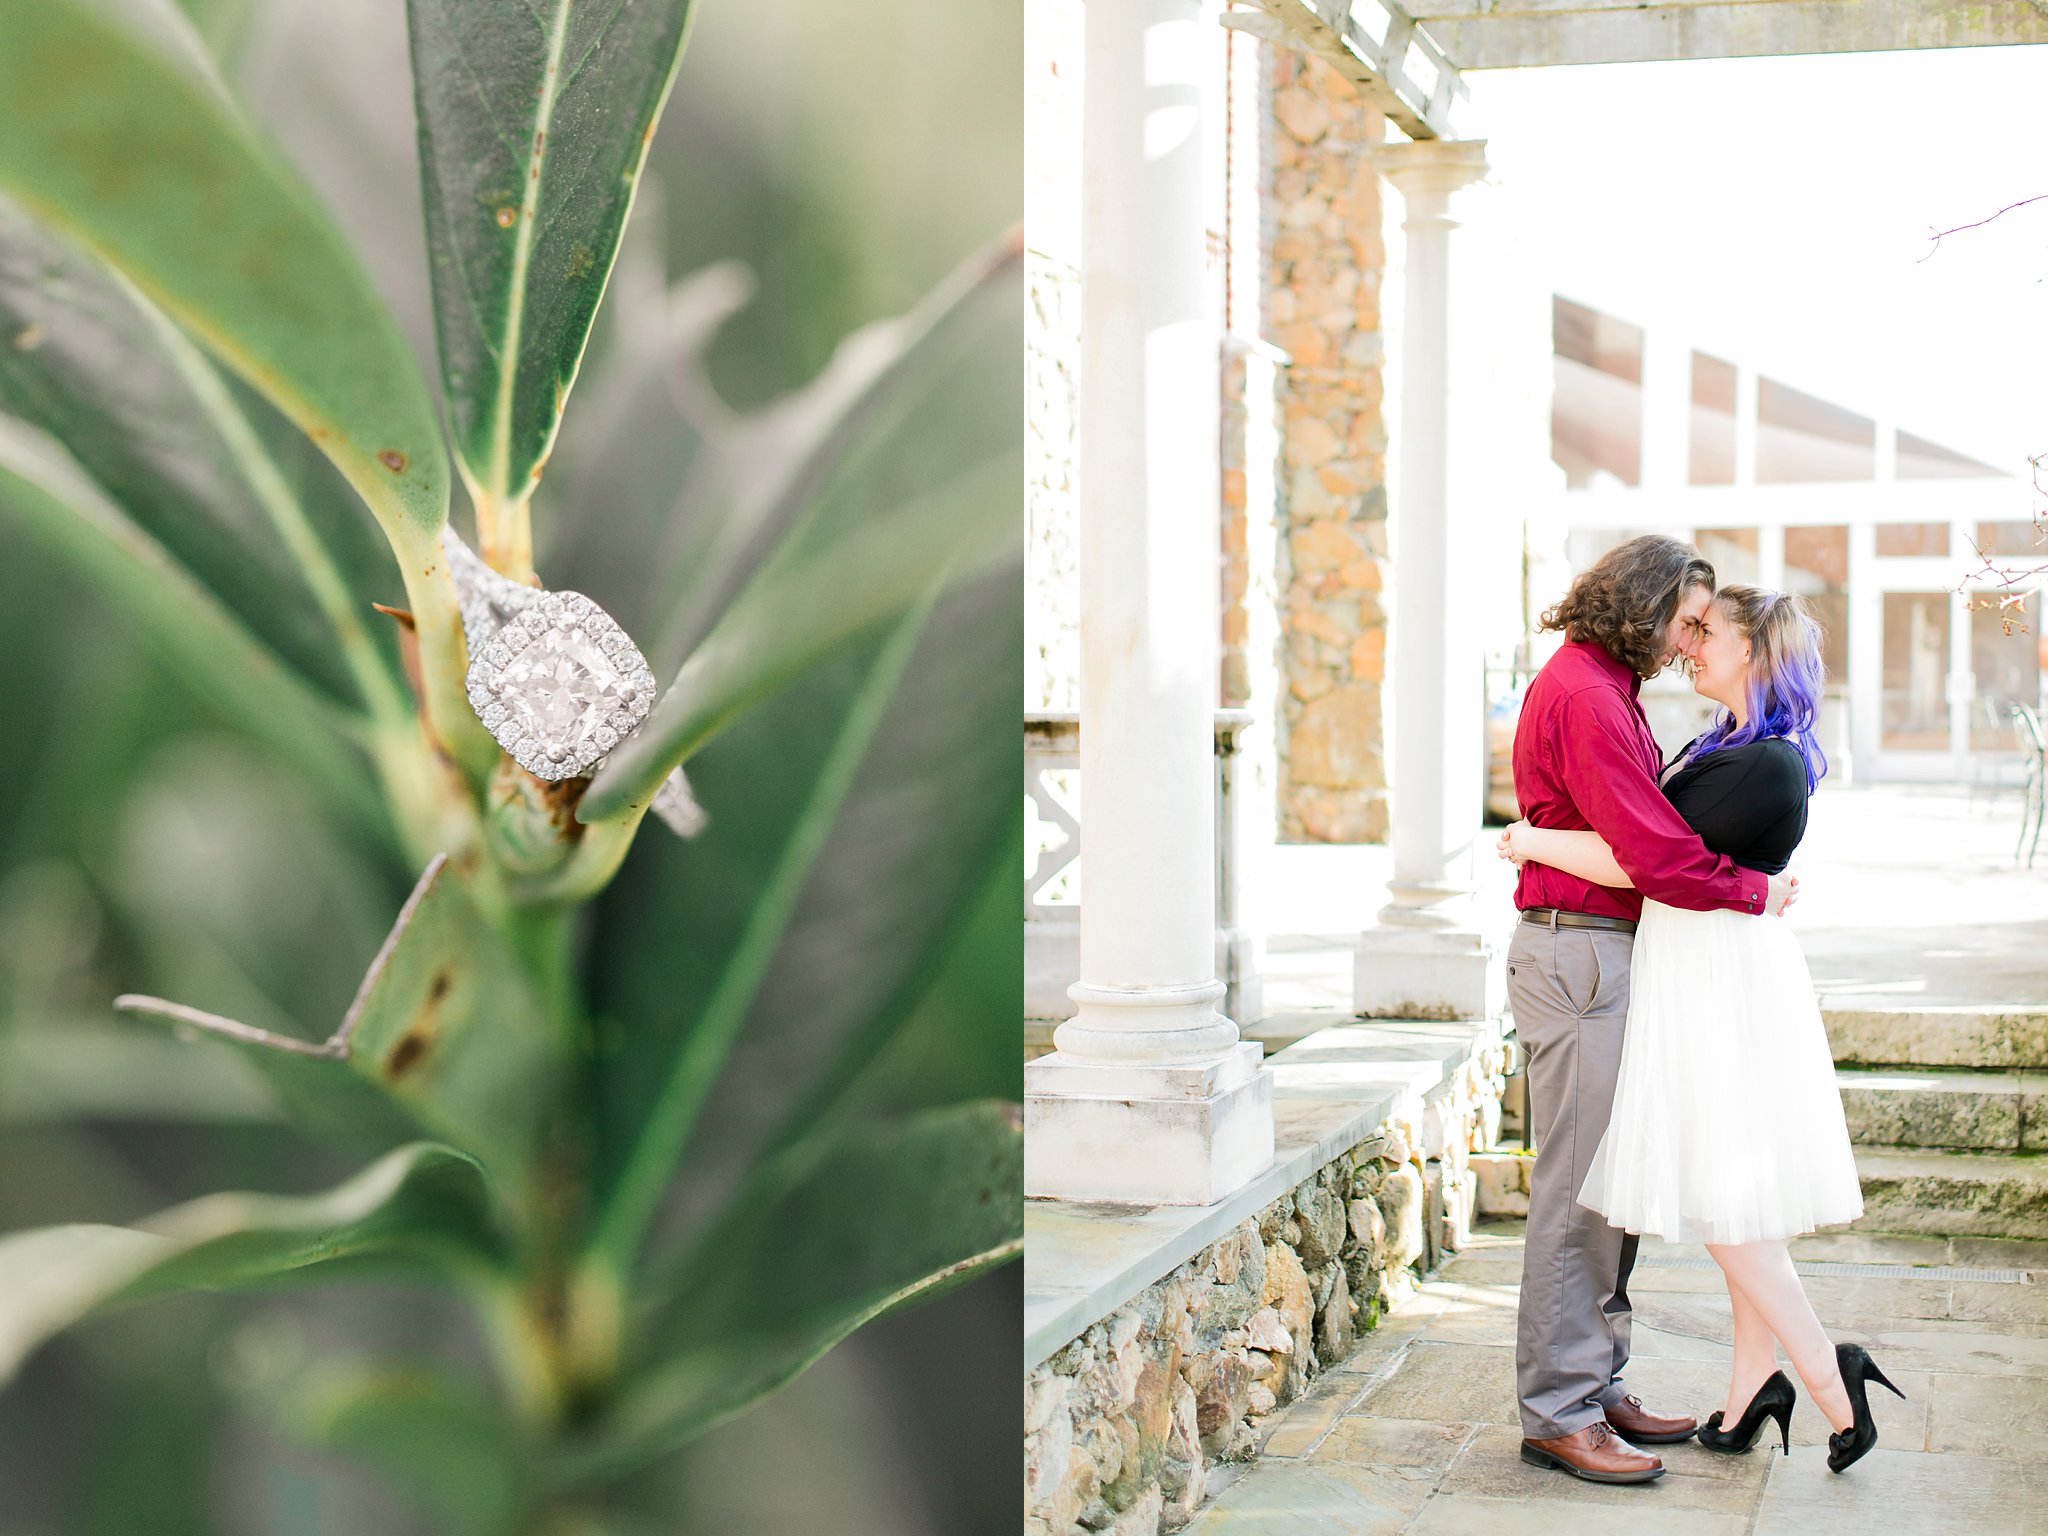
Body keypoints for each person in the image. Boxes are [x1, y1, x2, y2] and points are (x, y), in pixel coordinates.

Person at [1501, 584, 1900, 1475]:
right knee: (1731, 1192)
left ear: (1755, 651)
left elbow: (1637, 859)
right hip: (1700, 969)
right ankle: (1752, 1384)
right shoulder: (1731, 745)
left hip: (1719, 983)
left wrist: (1529, 840)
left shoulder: (1760, 762)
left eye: (1708, 632)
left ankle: (1834, 1382)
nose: (1689, 644)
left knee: (1725, 1200)